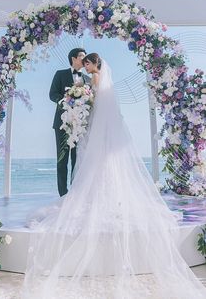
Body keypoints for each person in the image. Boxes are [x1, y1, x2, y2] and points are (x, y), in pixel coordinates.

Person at [24, 53, 206, 298]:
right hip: (89, 127)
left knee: (92, 166)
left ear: (93, 64)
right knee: (94, 167)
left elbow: (94, 103)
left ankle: (92, 198)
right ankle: (99, 196)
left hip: (94, 129)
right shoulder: (93, 79)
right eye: (82, 61)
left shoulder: (96, 80)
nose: (85, 65)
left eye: (87, 62)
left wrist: (81, 101)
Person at [49, 48, 90, 197]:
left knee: (77, 159)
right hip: (62, 123)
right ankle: (63, 195)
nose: (85, 60)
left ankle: (75, 193)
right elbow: (52, 94)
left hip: (80, 125)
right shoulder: (60, 74)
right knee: (62, 160)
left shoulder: (86, 78)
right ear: (73, 58)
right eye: (82, 57)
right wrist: (67, 101)